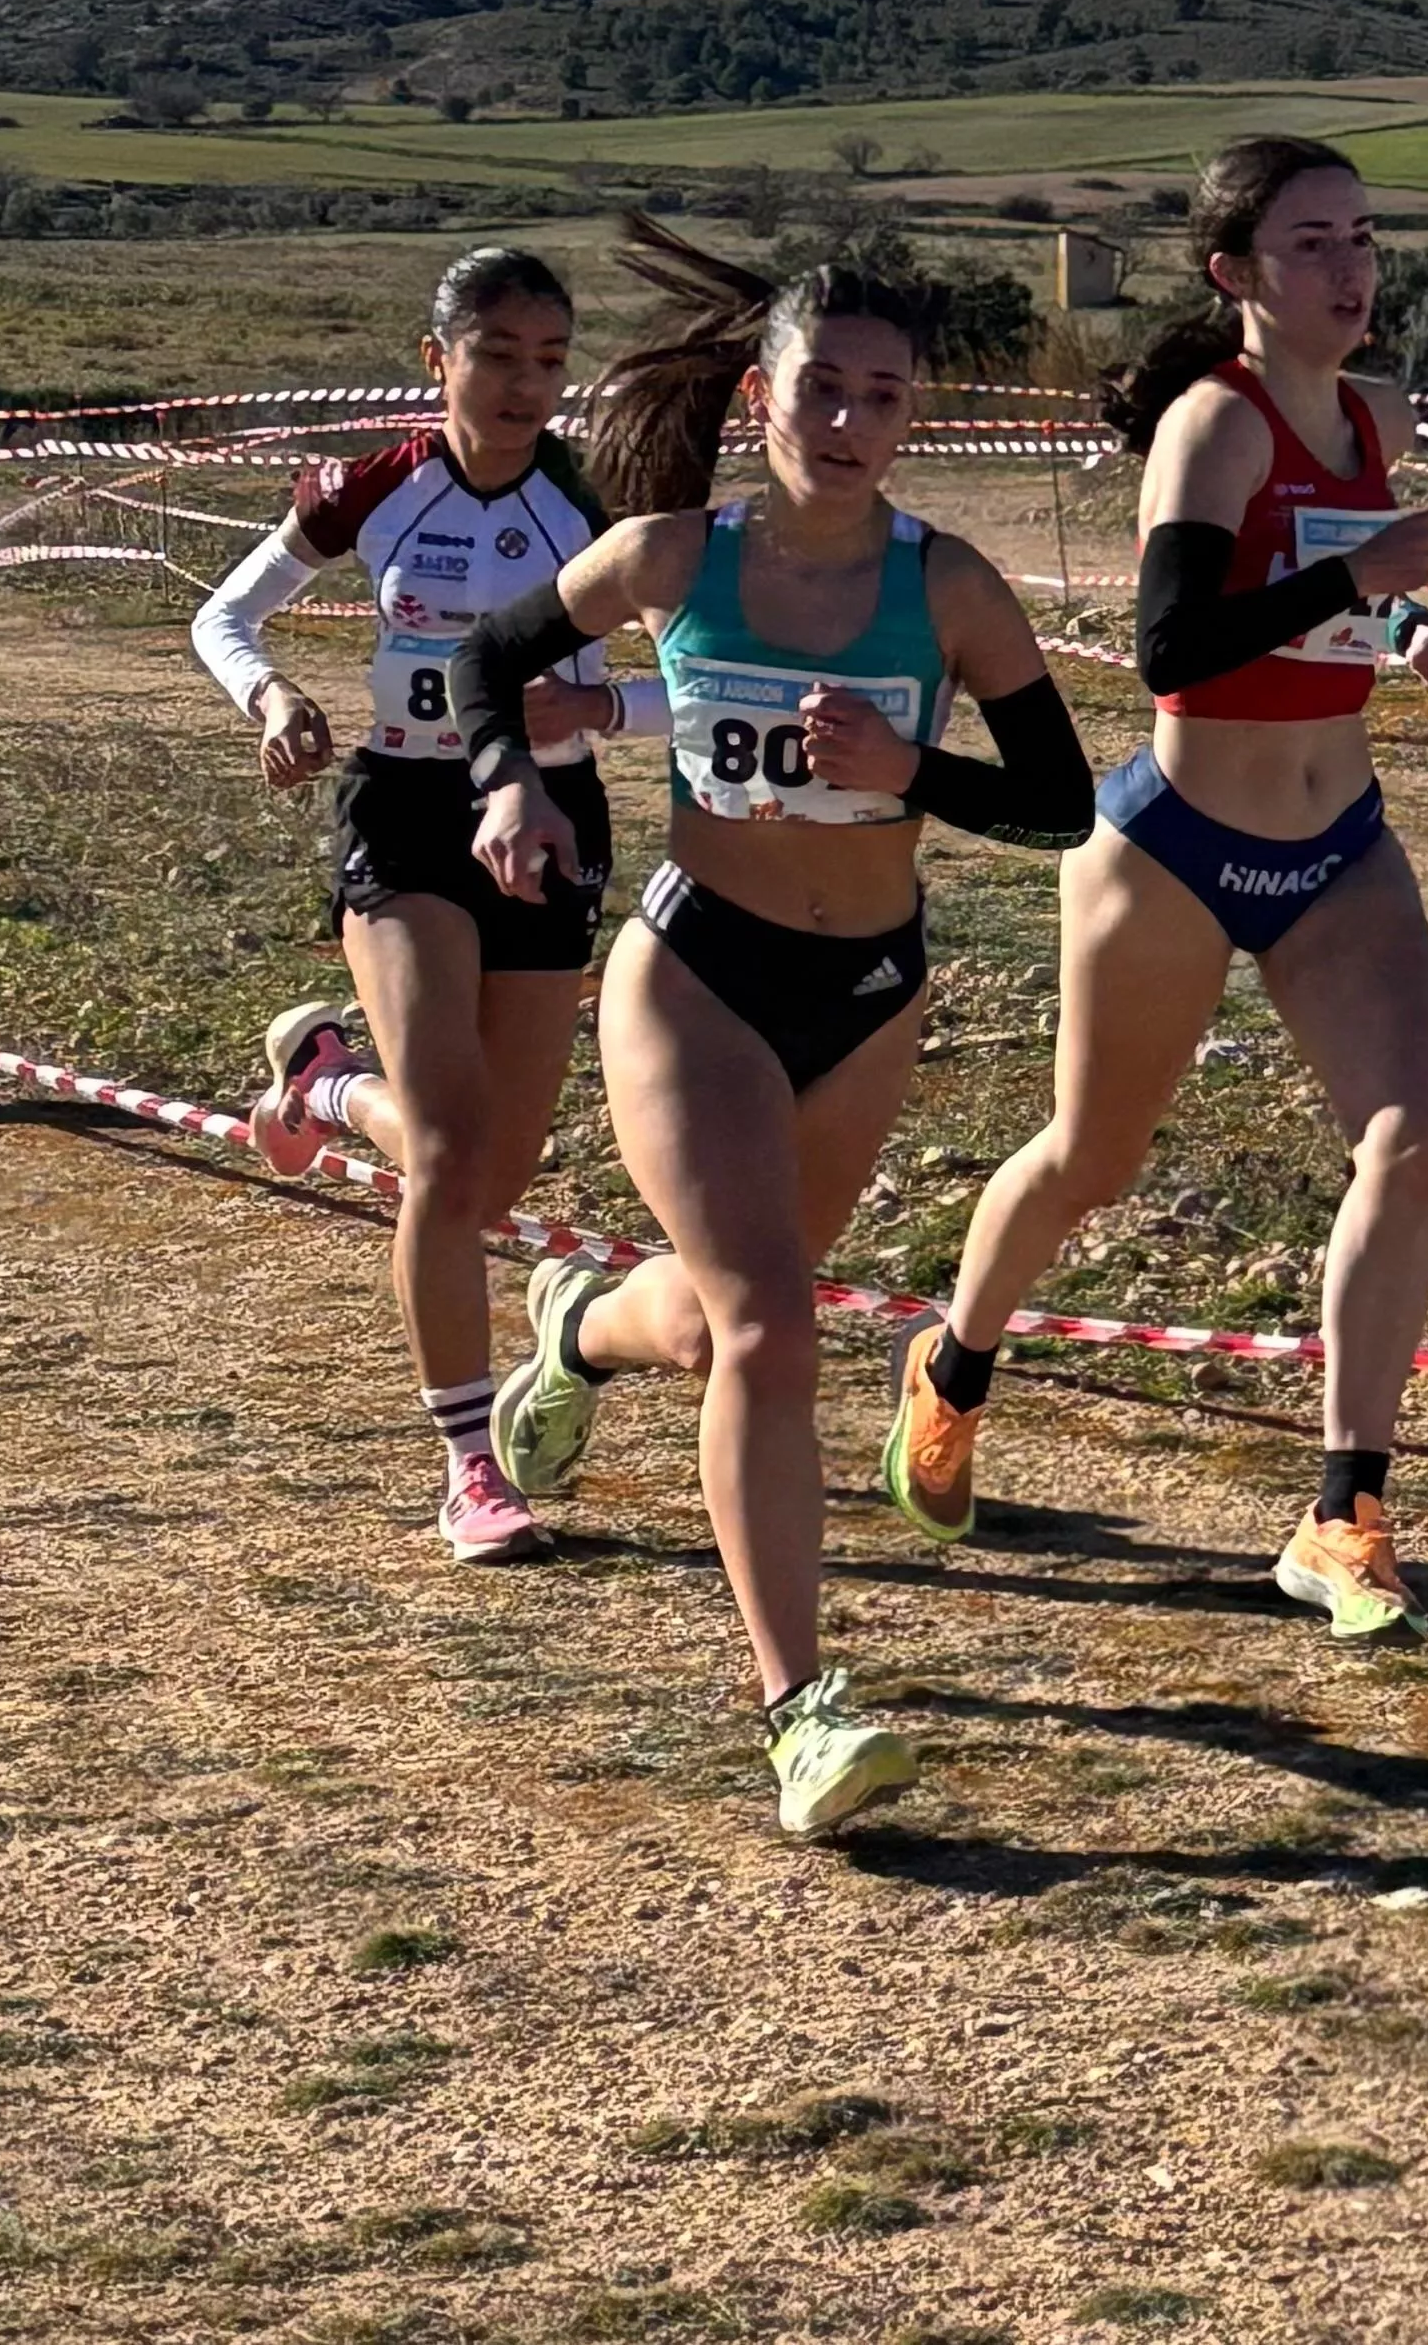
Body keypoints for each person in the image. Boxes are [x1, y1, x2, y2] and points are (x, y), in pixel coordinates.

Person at [446, 217, 1096, 1834]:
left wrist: (904, 775)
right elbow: (484, 655)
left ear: (912, 416)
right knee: (775, 1335)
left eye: (884, 397)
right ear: (764, 394)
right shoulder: (675, 556)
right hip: (696, 977)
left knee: (727, 1319)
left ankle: (578, 1322)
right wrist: (509, 779)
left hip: (870, 998)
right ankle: (799, 1706)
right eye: (823, 388)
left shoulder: (946, 585)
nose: (848, 422)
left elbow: (1064, 802)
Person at [885, 137, 1428, 1641]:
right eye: (1308, 244)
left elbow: (1339, 566)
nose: (1348, 269)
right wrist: (1360, 588)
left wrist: (1407, 624)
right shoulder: (1205, 430)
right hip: (1167, 850)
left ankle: (1342, 1514)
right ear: (1233, 274)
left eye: (1360, 238)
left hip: (1336, 842)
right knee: (1087, 1159)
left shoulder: (1372, 414)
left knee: (1409, 1146)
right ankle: (952, 1364)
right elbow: (1171, 648)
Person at [189, 246, 666, 1565]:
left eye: (550, 362)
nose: (524, 384)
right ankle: (469, 1469)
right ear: (436, 359)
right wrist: (275, 698)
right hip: (404, 814)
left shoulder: (595, 506)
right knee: (453, 1155)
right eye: (498, 354)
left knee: (488, 1177)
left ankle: (328, 1084)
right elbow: (224, 617)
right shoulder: (379, 488)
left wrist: (605, 706)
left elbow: (710, 682)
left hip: (551, 825)